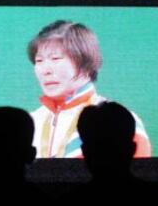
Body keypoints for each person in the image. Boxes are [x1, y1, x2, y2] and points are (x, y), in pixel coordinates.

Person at [27, 20, 151, 158]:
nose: (45, 70)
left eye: (55, 58)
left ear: (86, 63)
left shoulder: (118, 121)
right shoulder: (31, 121)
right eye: (39, 61)